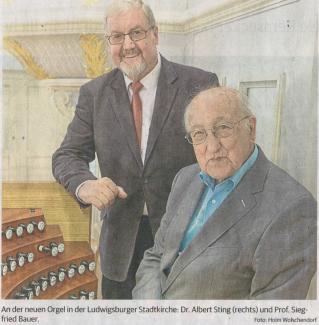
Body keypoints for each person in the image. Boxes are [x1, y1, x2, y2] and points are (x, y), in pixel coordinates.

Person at [52, 0, 219, 299]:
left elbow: (218, 157)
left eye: (137, 33)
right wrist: (84, 184)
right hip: (121, 250)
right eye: (117, 37)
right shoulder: (94, 94)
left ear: (155, 34)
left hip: (183, 240)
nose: (127, 45)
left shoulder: (199, 83)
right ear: (109, 43)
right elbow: (67, 155)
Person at [133, 86, 316, 299]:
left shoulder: (293, 208)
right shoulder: (186, 178)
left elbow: (269, 314)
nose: (212, 146)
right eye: (199, 133)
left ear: (251, 128)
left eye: (223, 128)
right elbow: (156, 257)